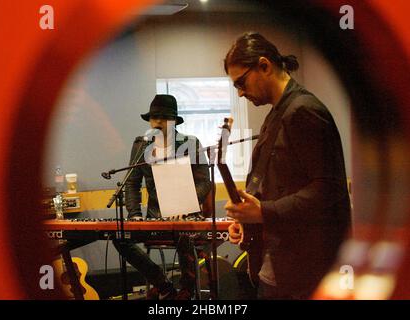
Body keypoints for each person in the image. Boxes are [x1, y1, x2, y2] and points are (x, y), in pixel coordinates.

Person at [223, 32, 351, 299]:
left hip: (303, 269)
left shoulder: (303, 111)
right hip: (281, 263)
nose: (241, 92)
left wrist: (263, 213)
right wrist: (249, 221)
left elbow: (330, 189)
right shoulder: (277, 113)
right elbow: (275, 187)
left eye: (241, 82)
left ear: (264, 65)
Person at [113, 94, 212, 300]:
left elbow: (204, 182)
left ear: (174, 120)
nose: (157, 122)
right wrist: (134, 215)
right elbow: (132, 182)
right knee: (120, 236)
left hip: (186, 216)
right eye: (154, 117)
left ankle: (187, 289)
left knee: (186, 236)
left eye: (163, 117)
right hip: (154, 217)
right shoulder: (141, 145)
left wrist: (185, 205)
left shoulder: (191, 143)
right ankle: (163, 284)